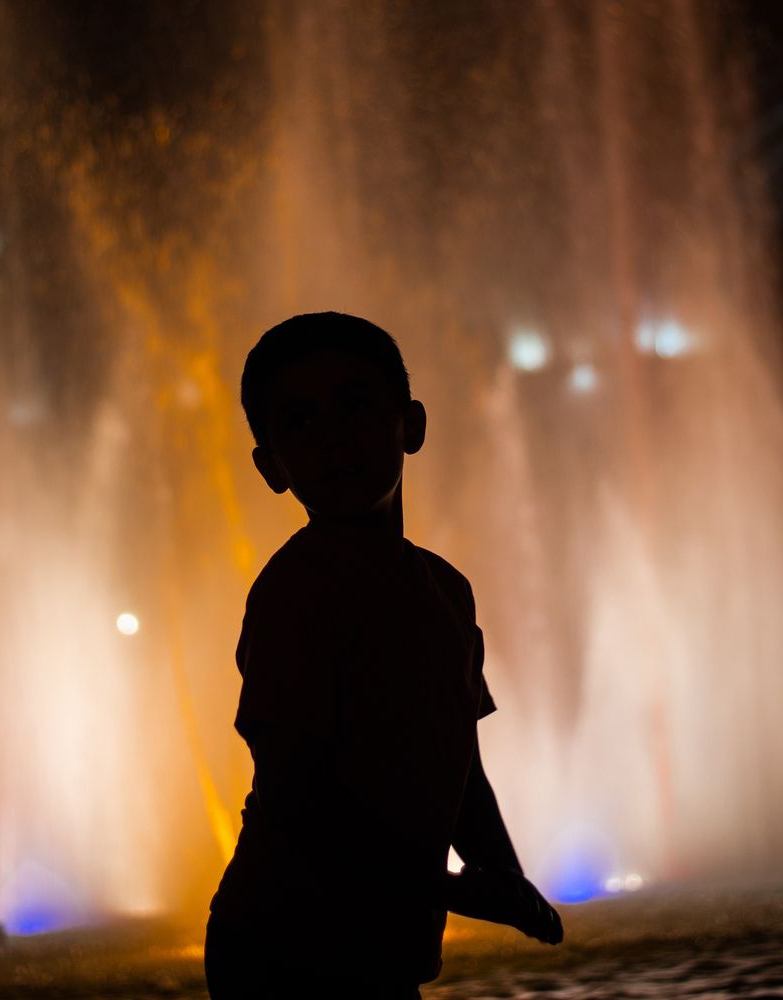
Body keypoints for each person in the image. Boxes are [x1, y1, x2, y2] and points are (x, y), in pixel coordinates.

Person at [205, 312, 562, 999]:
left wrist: (508, 880)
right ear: (271, 466)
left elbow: (464, 771)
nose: (334, 434)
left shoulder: (447, 592)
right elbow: (305, 805)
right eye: (300, 421)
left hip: (383, 945)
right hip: (284, 943)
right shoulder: (295, 597)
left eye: (356, 404)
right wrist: (459, 890)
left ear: (413, 425)